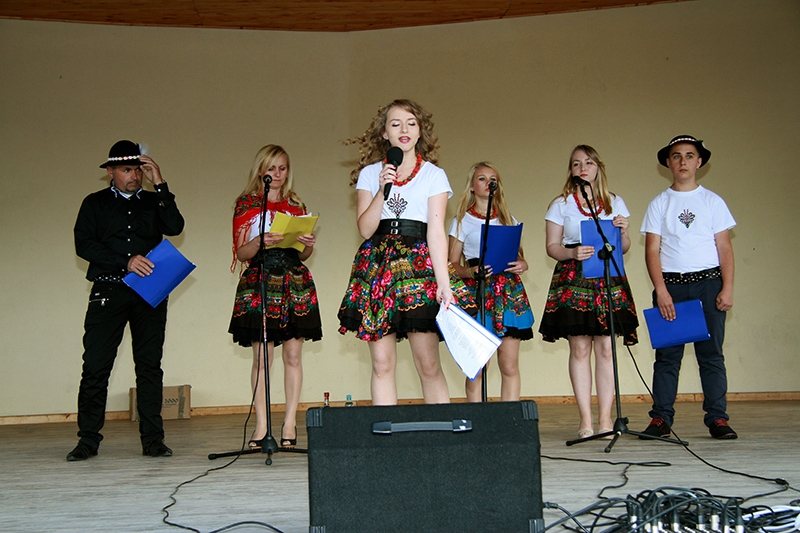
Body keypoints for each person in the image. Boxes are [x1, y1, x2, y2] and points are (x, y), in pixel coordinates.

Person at [338, 99, 474, 405]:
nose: (404, 129)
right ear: (384, 133)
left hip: (418, 266)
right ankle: (386, 430)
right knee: (382, 364)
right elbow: (365, 229)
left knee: (428, 363)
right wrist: (381, 190)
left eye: (411, 123)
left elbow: (436, 232)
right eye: (396, 123)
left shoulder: (434, 175)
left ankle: (439, 429)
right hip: (378, 266)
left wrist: (444, 283)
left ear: (420, 131)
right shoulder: (371, 174)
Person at [69, 140, 185, 461]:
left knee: (149, 366)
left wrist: (159, 182)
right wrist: (126, 260)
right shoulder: (94, 203)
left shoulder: (153, 200)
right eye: (126, 170)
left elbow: (175, 227)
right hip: (109, 290)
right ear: (111, 171)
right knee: (96, 366)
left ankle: (153, 440)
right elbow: (84, 245)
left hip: (149, 291)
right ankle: (87, 440)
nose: (133, 176)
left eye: (137, 169)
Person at [639, 135, 737, 440]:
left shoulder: (712, 201)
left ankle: (717, 418)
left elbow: (724, 247)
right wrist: (661, 290)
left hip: (709, 285)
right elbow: (652, 250)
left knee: (711, 356)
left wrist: (727, 287)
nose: (683, 161)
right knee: (667, 357)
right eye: (677, 156)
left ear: (699, 162)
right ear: (668, 163)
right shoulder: (659, 203)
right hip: (673, 288)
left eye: (689, 155)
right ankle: (661, 419)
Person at [539, 145, 638, 439]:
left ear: (598, 168)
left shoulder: (614, 202)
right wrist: (572, 253)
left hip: (606, 277)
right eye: (576, 163)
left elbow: (625, 246)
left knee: (606, 348)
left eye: (589, 162)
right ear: (571, 170)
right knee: (580, 348)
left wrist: (623, 231)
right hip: (574, 279)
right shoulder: (560, 204)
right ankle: (585, 420)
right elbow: (552, 247)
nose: (583, 168)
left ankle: (606, 419)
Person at [229, 144, 322, 449]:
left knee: (293, 356)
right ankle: (262, 425)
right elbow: (241, 253)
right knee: (262, 358)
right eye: (272, 168)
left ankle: (290, 422)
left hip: (293, 281)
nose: (278, 174)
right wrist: (260, 240)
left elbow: (303, 255)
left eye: (282, 168)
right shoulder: (246, 204)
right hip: (260, 279)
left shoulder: (296, 204)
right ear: (261, 170)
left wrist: (308, 244)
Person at [448, 162, 534, 401]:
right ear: (472, 186)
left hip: (507, 292)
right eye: (482, 178)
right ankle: (478, 417)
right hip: (478, 291)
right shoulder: (461, 221)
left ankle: (509, 417)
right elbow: (451, 264)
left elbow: (518, 257)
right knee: (478, 366)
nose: (488, 183)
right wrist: (470, 271)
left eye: (492, 179)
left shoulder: (508, 219)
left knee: (509, 364)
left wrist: (523, 264)